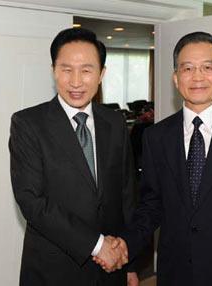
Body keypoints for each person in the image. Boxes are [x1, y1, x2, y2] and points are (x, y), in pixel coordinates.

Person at [94, 31, 212, 286]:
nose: (197, 77)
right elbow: (152, 206)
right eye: (187, 68)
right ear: (175, 77)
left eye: (207, 67)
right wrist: (126, 243)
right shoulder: (156, 137)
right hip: (176, 274)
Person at [9, 27, 139, 286]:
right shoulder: (28, 123)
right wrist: (96, 244)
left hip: (111, 269)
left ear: (101, 74)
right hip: (54, 270)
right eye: (66, 69)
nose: (76, 81)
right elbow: (32, 201)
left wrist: (130, 261)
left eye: (87, 70)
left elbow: (127, 195)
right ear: (54, 70)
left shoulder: (114, 122)